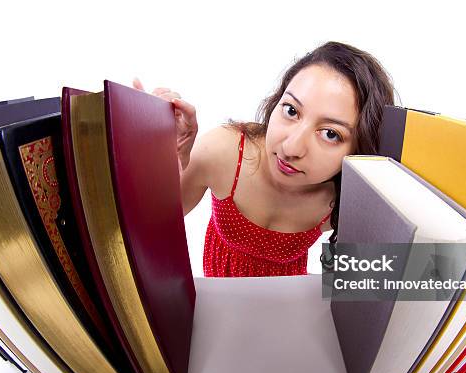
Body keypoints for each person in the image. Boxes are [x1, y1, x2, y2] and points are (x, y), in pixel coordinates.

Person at [133, 41, 395, 277]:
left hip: (287, 308)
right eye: (291, 110)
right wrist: (159, 165)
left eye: (330, 134)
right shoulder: (224, 151)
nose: (292, 147)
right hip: (218, 303)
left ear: (359, 150)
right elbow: (142, 229)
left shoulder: (344, 201)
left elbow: (403, 281)